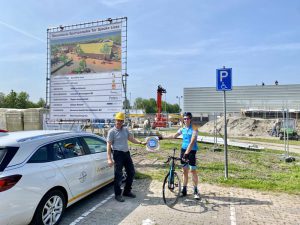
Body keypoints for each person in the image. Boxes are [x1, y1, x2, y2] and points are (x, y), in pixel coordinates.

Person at [107, 112, 146, 202]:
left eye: (121, 120)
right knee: (118, 175)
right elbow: (108, 146)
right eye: (118, 120)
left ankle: (127, 191)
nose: (119, 122)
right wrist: (109, 158)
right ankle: (117, 194)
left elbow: (131, 139)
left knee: (131, 172)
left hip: (126, 153)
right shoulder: (111, 132)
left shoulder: (125, 130)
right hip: (117, 154)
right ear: (115, 120)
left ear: (123, 121)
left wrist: (140, 142)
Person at [162, 112, 200, 200]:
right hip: (183, 150)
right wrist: (162, 137)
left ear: (190, 119)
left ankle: (195, 190)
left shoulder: (194, 128)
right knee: (184, 170)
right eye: (184, 119)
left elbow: (192, 142)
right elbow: (174, 135)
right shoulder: (182, 128)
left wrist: (187, 153)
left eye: (187, 118)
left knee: (193, 170)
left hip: (191, 151)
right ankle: (184, 189)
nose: (186, 120)